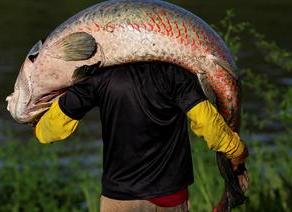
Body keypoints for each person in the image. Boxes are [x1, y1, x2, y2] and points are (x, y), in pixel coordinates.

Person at [33, 61, 248, 212]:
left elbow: (49, 132)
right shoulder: (176, 73)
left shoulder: (99, 76)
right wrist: (236, 150)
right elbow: (208, 124)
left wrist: (37, 124)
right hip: (170, 197)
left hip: (119, 199)